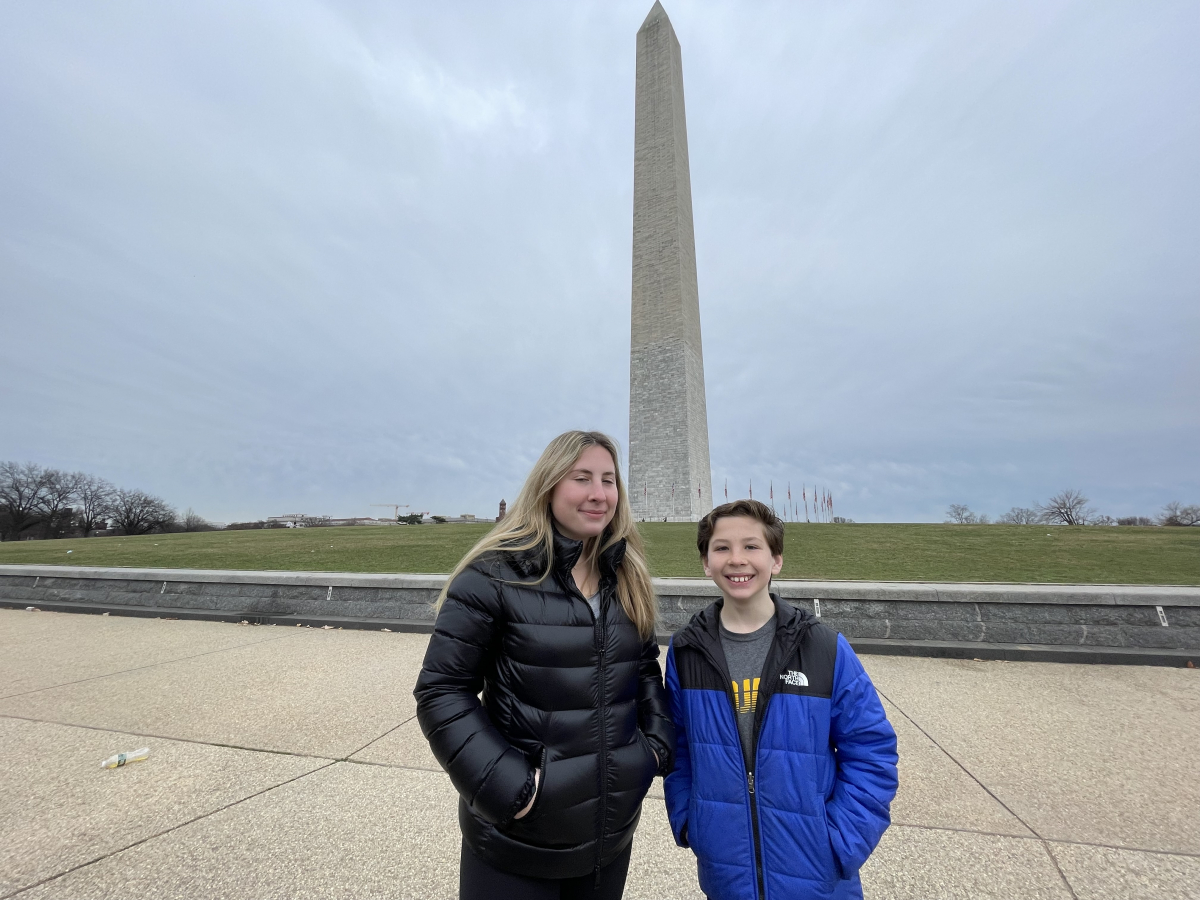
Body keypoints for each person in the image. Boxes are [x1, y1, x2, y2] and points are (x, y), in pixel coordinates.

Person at [414, 430, 674, 900]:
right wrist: (513, 788)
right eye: (582, 478)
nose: (599, 494)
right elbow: (441, 692)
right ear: (549, 485)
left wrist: (653, 748)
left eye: (609, 480)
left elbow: (643, 669)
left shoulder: (626, 576)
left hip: (608, 839)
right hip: (516, 842)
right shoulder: (494, 574)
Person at [664, 500, 898, 900]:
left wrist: (839, 842)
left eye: (751, 546)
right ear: (705, 562)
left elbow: (871, 752)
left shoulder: (825, 648)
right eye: (722, 548)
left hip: (818, 874)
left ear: (776, 560)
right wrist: (691, 821)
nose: (737, 560)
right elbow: (679, 748)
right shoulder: (686, 652)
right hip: (726, 873)